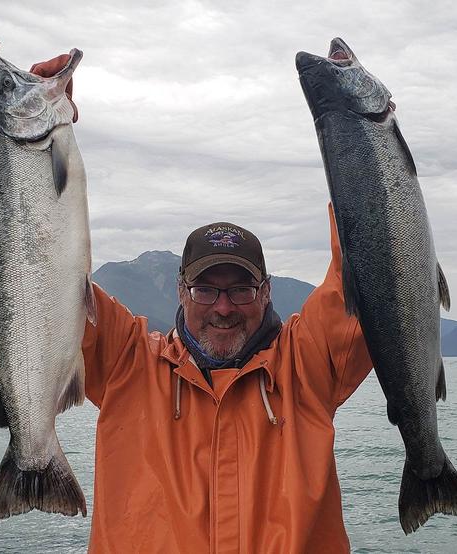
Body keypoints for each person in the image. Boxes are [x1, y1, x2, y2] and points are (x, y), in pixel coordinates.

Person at [32, 56, 373, 554]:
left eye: (240, 289)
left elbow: (368, 264)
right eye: (205, 289)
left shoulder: (308, 364)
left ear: (267, 291)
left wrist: (360, 135)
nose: (223, 307)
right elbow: (44, 276)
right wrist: (38, 142)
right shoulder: (127, 364)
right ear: (180, 290)